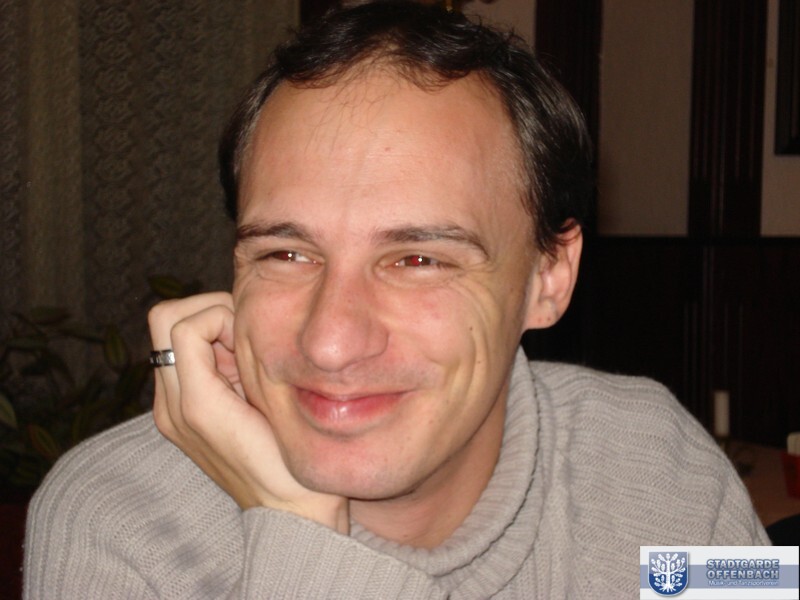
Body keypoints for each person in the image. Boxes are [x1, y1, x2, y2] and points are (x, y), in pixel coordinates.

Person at [24, 2, 768, 598]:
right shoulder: (118, 519)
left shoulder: (658, 462)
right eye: (286, 254)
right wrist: (296, 529)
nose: (330, 341)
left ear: (549, 276)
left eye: (417, 260)